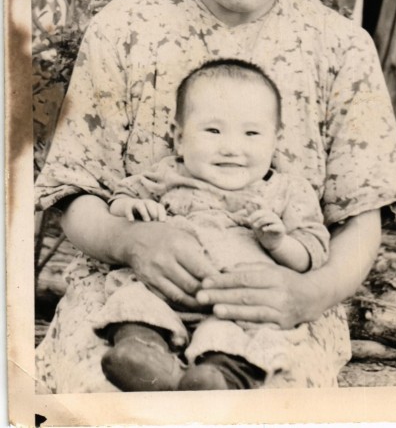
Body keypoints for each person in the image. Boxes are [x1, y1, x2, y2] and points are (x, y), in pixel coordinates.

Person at [35, 0, 396, 393]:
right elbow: (74, 191)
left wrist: (308, 293)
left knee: (265, 397)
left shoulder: (340, 48)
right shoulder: (125, 30)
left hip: (274, 307)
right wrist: (130, 241)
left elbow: (361, 218)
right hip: (127, 296)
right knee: (100, 394)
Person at [96, 58, 330, 391]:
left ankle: (217, 377)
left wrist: (278, 243)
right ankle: (145, 356)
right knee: (134, 302)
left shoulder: (286, 191)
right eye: (213, 131)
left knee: (235, 335)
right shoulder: (168, 174)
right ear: (179, 137)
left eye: (252, 133)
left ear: (275, 140)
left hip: (237, 304)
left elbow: (312, 252)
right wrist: (134, 208)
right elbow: (120, 199)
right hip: (165, 291)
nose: (231, 148)